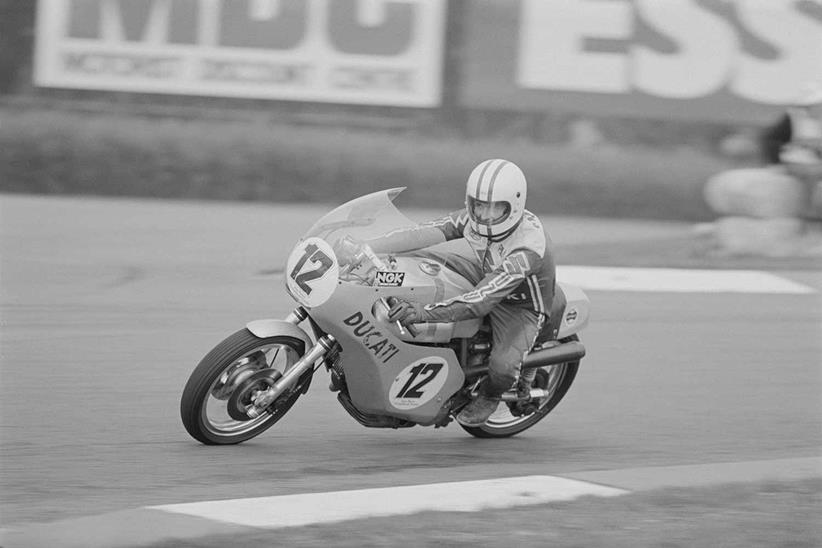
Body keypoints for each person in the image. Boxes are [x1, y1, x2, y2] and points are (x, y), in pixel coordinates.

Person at [348, 159, 557, 427]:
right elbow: (422, 233)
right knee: (421, 260)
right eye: (479, 205)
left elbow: (480, 301)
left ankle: (491, 396)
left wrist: (422, 313)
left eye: (496, 208)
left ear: (515, 206)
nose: (485, 215)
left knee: (503, 366)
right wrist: (367, 247)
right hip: (487, 274)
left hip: (520, 304)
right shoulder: (470, 218)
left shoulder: (528, 248)